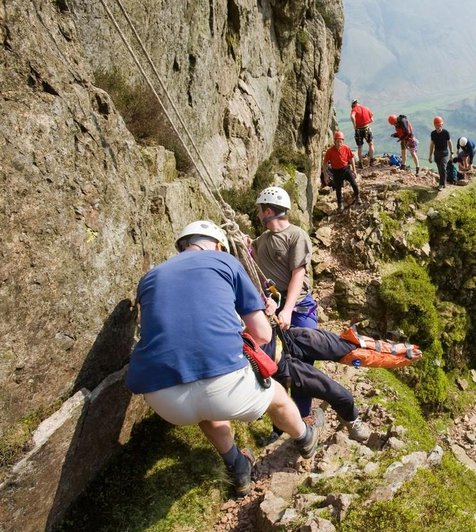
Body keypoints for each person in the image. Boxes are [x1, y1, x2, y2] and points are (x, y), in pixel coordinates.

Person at [126, 220, 323, 497]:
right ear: (218, 245)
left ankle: (238, 468)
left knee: (207, 411)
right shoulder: (224, 262)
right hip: (224, 385)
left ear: (183, 246)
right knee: (276, 397)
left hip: (163, 398)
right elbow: (263, 334)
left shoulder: (149, 277)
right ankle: (305, 437)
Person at [252, 187, 319, 423]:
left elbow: (298, 274)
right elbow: (250, 252)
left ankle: (303, 415)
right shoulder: (262, 241)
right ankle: (282, 421)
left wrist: (288, 309)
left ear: (268, 211)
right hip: (274, 306)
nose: (258, 215)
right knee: (274, 363)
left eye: (260, 211)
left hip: (298, 305)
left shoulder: (296, 235)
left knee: (303, 361)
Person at [322, 131, 361, 213]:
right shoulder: (330, 151)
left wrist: (354, 170)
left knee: (354, 183)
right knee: (338, 189)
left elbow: (351, 158)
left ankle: (358, 197)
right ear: (334, 141)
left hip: (346, 169)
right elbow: (325, 162)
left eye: (341, 141)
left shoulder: (346, 148)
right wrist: (325, 175)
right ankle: (340, 205)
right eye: (338, 141)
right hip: (336, 172)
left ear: (343, 141)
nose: (339, 143)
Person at [428, 116, 454, 191]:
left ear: (442, 125)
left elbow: (449, 142)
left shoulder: (446, 133)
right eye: (436, 125)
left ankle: (441, 184)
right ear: (434, 125)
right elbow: (432, 144)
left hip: (444, 153)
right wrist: (430, 156)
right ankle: (444, 183)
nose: (438, 127)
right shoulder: (433, 134)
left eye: (439, 125)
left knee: (443, 168)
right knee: (440, 169)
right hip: (436, 154)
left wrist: (452, 153)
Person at [350, 99, 375, 166]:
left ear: (353, 105)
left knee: (360, 147)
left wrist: (354, 125)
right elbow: (372, 119)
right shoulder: (366, 108)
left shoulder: (354, 109)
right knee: (370, 144)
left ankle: (360, 163)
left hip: (358, 130)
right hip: (367, 128)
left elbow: (352, 116)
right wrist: (366, 123)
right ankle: (372, 160)